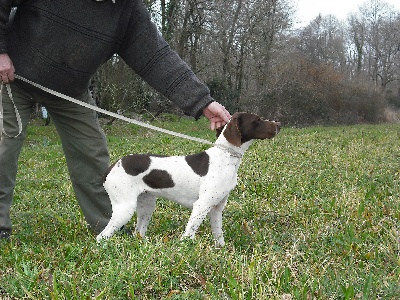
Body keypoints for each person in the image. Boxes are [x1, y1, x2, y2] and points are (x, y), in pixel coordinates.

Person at [0, 0, 231, 241]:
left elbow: (157, 58)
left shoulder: (128, 12)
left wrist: (202, 101)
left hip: (71, 92)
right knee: (5, 145)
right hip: (13, 76)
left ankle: (106, 226)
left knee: (92, 152)